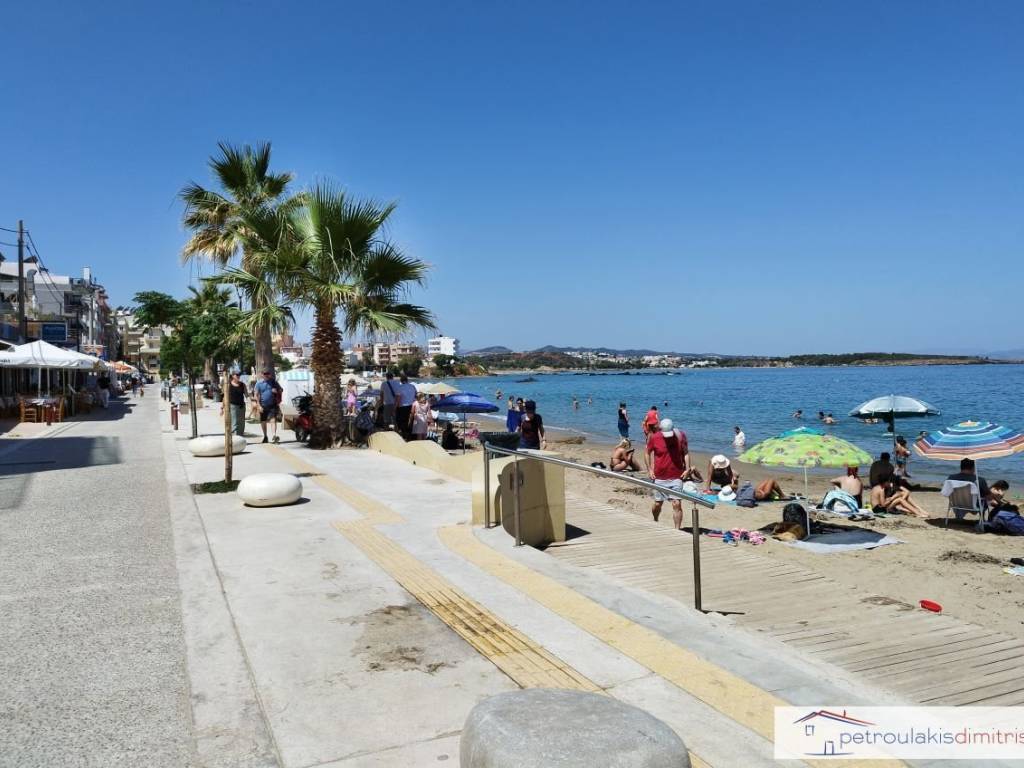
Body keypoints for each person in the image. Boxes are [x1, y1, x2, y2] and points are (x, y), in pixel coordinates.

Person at [645, 418, 690, 529]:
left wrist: (687, 469)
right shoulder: (655, 438)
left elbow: (686, 453)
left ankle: (677, 530)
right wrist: (649, 469)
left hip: (676, 476)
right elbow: (647, 453)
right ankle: (655, 519)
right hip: (659, 477)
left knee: (676, 504)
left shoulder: (680, 436)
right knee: (658, 504)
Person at [254, 370, 283, 444]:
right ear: (262, 374)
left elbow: (281, 390)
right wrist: (258, 405)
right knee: (263, 421)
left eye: (268, 373)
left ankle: (274, 436)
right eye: (265, 374)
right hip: (263, 405)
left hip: (272, 404)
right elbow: (256, 395)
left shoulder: (273, 382)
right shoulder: (259, 383)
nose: (266, 375)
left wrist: (276, 391)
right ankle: (265, 436)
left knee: (273, 420)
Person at [219, 371, 247, 437]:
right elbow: (225, 397)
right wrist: (222, 408)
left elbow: (247, 394)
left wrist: (253, 401)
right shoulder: (229, 385)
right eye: (237, 375)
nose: (238, 376)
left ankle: (240, 437)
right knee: (234, 422)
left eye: (239, 375)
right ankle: (235, 437)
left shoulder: (242, 385)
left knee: (241, 422)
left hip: (241, 406)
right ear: (233, 376)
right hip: (233, 406)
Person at [396, 374, 418, 440]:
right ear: (407, 380)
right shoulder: (413, 386)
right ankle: (411, 435)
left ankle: (404, 436)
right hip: (412, 406)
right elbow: (416, 395)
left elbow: (398, 399)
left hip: (403, 407)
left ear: (401, 381)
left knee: (403, 422)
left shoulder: (399, 387)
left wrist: (395, 407)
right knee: (411, 421)